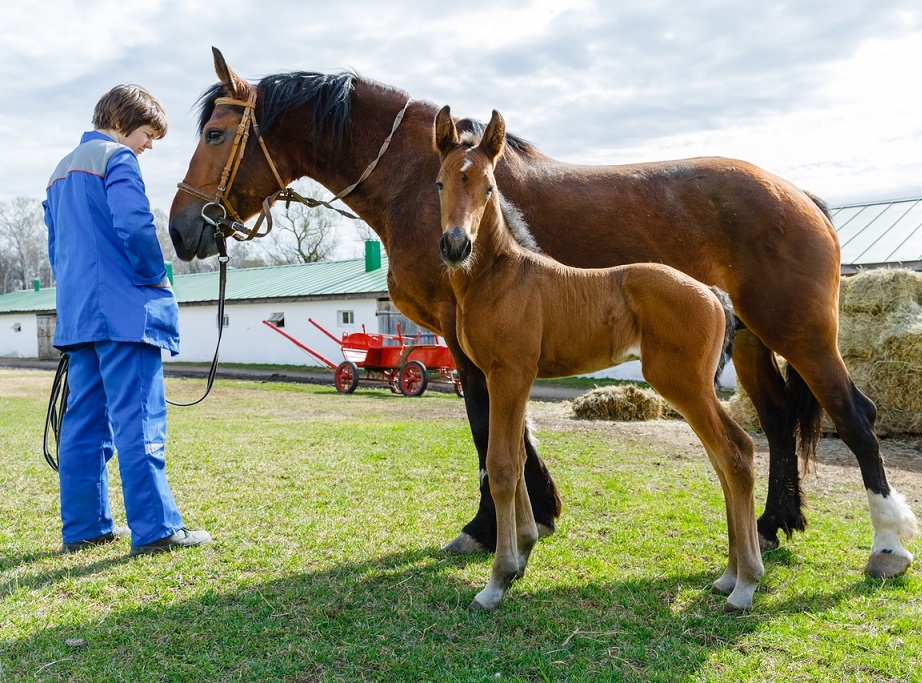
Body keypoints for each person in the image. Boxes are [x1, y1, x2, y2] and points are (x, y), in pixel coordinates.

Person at [43, 84, 211, 556]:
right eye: (147, 133)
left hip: (80, 317)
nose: (149, 145)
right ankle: (157, 529)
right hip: (124, 314)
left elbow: (57, 248)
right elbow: (135, 226)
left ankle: (85, 527)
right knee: (139, 420)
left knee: (84, 425)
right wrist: (156, 278)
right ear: (121, 122)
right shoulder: (117, 159)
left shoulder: (58, 172)